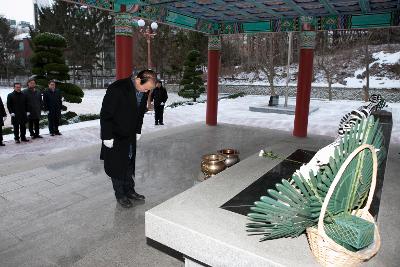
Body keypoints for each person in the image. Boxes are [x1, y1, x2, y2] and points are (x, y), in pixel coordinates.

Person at [100, 69, 156, 208]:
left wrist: (138, 130)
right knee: (117, 166)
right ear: (138, 80)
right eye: (145, 88)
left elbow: (140, 114)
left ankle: (130, 191)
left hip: (130, 135)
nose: (145, 92)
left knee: (129, 163)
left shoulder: (143, 90)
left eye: (148, 90)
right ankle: (120, 194)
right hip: (115, 135)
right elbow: (106, 114)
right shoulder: (117, 88)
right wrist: (107, 136)